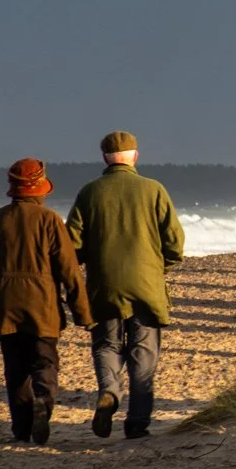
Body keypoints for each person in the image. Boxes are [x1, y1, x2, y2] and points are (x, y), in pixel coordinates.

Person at [0, 158, 91, 444]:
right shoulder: (50, 220)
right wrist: (83, 313)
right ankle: (43, 401)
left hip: (4, 304)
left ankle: (21, 429)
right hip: (42, 304)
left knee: (15, 369)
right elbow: (69, 270)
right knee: (45, 362)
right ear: (40, 190)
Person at [67, 129, 185, 439]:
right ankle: (137, 423)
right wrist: (158, 269)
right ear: (135, 156)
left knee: (107, 345)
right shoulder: (154, 190)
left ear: (105, 158)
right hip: (147, 287)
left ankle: (110, 391)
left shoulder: (90, 192)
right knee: (143, 354)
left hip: (104, 286)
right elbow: (175, 243)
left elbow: (72, 245)